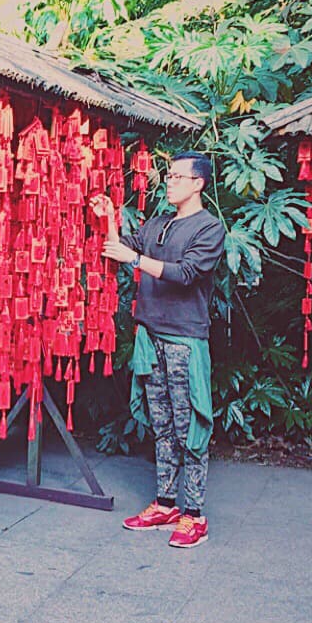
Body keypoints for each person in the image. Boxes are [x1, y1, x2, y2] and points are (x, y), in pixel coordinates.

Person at [90, 151, 226, 548]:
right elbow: (120, 248)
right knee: (162, 424)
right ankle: (167, 502)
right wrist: (108, 217)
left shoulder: (208, 229)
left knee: (190, 428)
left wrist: (133, 257)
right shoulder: (157, 224)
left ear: (198, 183)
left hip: (185, 340)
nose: (168, 182)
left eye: (177, 177)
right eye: (168, 175)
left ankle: (194, 514)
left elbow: (185, 275)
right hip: (152, 336)